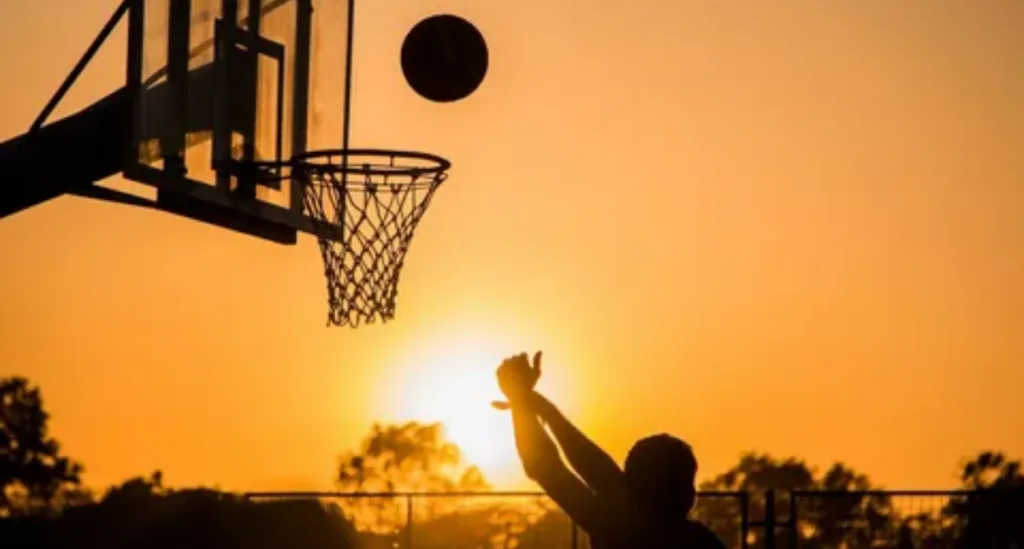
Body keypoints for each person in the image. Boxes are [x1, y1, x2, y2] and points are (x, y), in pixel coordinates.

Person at [493, 352, 725, 549]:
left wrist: (521, 399)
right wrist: (535, 404)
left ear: (631, 485)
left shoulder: (617, 528)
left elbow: (547, 468)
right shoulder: (701, 541)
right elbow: (597, 471)